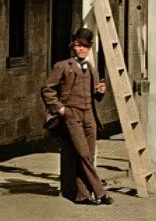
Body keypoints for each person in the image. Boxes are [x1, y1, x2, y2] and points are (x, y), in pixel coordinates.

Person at [41, 27, 111, 205]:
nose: (81, 49)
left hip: (90, 115)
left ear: (90, 48)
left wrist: (101, 91)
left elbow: (96, 96)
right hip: (72, 114)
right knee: (83, 153)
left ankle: (82, 195)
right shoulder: (63, 66)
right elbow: (47, 89)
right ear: (73, 46)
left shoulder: (92, 69)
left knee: (88, 155)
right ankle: (100, 192)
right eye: (78, 46)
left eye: (85, 47)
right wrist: (60, 108)